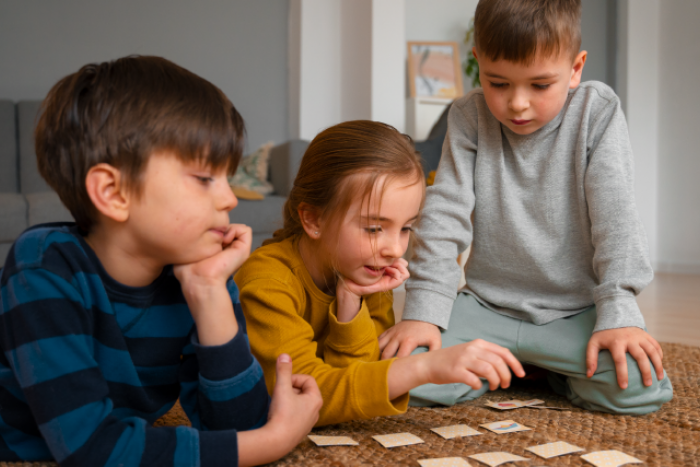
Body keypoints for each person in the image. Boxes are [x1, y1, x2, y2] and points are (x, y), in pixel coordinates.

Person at [0, 56, 322, 466]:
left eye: (228, 178)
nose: (229, 199)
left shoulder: (198, 270)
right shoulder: (44, 266)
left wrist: (208, 293)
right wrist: (272, 442)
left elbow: (236, 428)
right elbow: (92, 451)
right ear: (114, 192)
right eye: (205, 178)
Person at [379, 0, 673, 414]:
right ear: (477, 61)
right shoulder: (468, 115)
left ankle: (536, 368)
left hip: (574, 310)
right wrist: (423, 312)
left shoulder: (598, 111)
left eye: (539, 85)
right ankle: (525, 364)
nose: (517, 103)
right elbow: (444, 214)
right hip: (486, 307)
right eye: (498, 83)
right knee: (407, 378)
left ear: (575, 68)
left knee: (639, 389)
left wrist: (619, 312)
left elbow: (617, 217)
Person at [235, 120, 525, 427]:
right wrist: (423, 367)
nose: (395, 250)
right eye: (374, 228)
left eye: (405, 228)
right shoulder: (267, 282)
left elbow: (358, 380)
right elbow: (300, 398)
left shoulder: (365, 268)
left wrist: (350, 305)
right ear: (313, 220)